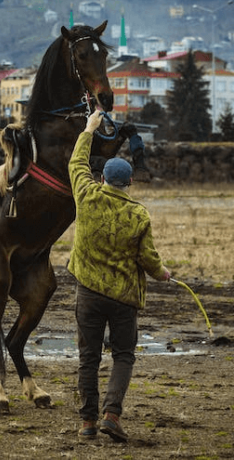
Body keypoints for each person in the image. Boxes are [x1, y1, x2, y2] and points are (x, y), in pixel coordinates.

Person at [67, 109, 171, 443]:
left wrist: (89, 129)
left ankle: (87, 423)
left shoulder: (86, 195)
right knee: (123, 356)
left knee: (89, 357)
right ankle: (111, 415)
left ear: (103, 180)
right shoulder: (139, 214)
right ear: (128, 184)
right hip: (124, 299)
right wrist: (162, 273)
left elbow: (77, 164)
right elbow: (148, 258)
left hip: (88, 295)